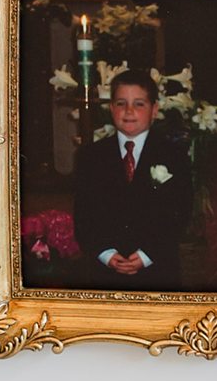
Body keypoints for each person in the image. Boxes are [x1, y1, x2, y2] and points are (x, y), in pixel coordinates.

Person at [72, 68, 195, 285]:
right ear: (111, 108)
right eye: (121, 103)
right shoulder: (90, 156)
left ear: (154, 109)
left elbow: (180, 212)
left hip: (158, 267)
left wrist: (148, 255)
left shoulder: (174, 155)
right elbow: (84, 214)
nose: (129, 111)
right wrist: (105, 253)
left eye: (139, 104)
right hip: (105, 270)